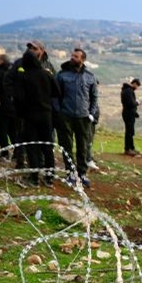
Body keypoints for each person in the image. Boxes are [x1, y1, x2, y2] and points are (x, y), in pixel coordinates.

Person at [13, 49, 59, 187]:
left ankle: (34, 178)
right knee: (47, 146)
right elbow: (57, 91)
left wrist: (20, 113)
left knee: (32, 146)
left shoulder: (24, 76)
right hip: (46, 115)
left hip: (30, 115)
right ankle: (49, 177)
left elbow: (19, 98)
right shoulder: (46, 74)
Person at [55, 48, 97, 188]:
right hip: (66, 116)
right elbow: (55, 95)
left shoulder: (90, 77)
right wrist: (59, 111)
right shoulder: (62, 75)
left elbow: (94, 97)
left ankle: (82, 174)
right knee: (66, 145)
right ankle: (70, 174)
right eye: (72, 55)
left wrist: (91, 113)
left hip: (83, 117)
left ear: (82, 59)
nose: (73, 58)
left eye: (76, 56)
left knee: (82, 146)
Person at [0, 53, 17, 161]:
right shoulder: (13, 73)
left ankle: (5, 152)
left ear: (1, 61)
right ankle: (18, 152)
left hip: (1, 106)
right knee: (13, 131)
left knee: (2, 130)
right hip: (13, 106)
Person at [121, 77, 141, 155]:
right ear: (135, 84)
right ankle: (128, 148)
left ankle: (131, 147)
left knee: (130, 131)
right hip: (128, 114)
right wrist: (137, 102)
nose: (137, 88)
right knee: (129, 131)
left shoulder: (127, 90)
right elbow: (131, 104)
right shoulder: (128, 91)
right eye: (137, 86)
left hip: (129, 113)